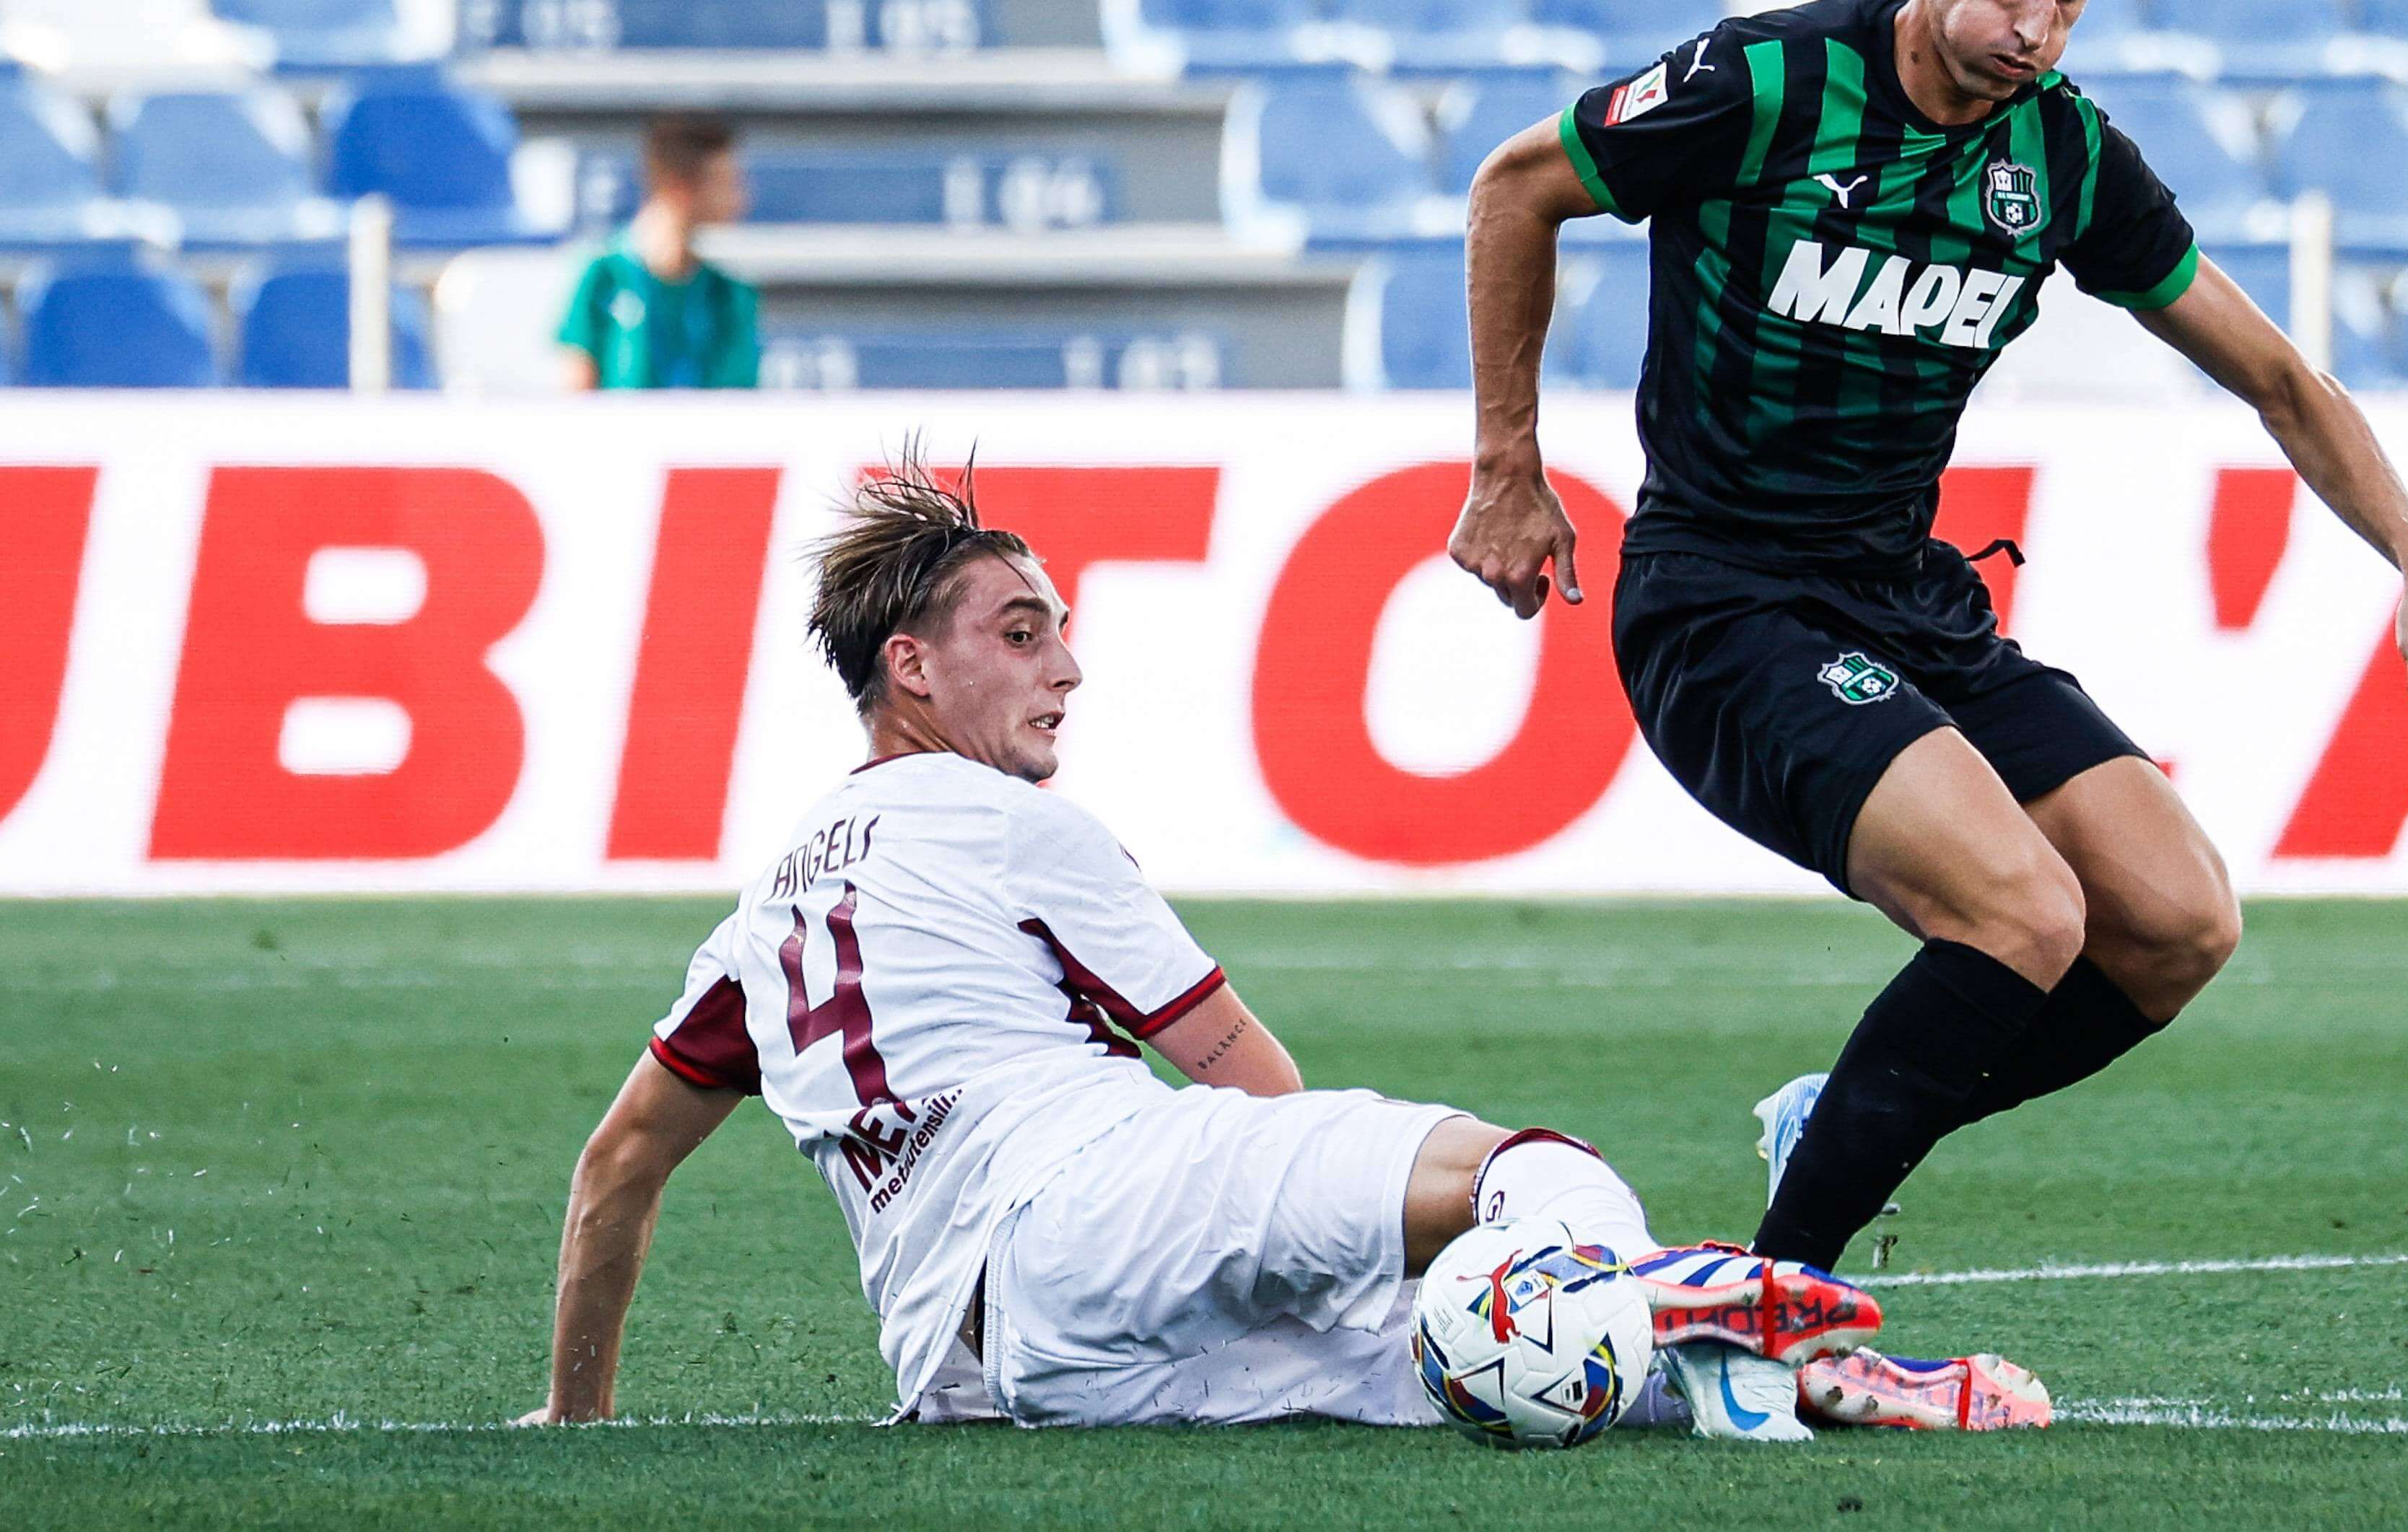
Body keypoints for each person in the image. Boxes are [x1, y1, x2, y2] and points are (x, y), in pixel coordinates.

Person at [1447, 0, 2408, 1277]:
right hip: (1722, 603)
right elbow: (1516, 187)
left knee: (2176, 922)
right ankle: (1764, 1297)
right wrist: (1506, 463)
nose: (2039, 26)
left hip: (1906, 601)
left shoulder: (2059, 157)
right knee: (2021, 913)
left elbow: (2275, 376)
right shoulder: (1768, 83)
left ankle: (1838, 1127)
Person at [520, 454, 2046, 1440]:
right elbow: (1247, 1081)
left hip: (989, 1367)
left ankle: (1761, 1381)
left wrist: (572, 1421)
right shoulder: (1004, 823)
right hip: (1097, 1196)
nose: (1067, 665)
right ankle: (1686, 1288)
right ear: (908, 670)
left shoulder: (757, 920)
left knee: (1466, 1372)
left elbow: (614, 1168)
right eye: (1022, 632)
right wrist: (1339, 1230)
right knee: (1527, 1176)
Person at [556, 113, 760, 390]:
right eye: (726, 183)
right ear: (680, 187)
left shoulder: (728, 294)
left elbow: (737, 400)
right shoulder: (604, 275)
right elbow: (576, 394)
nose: (742, 199)